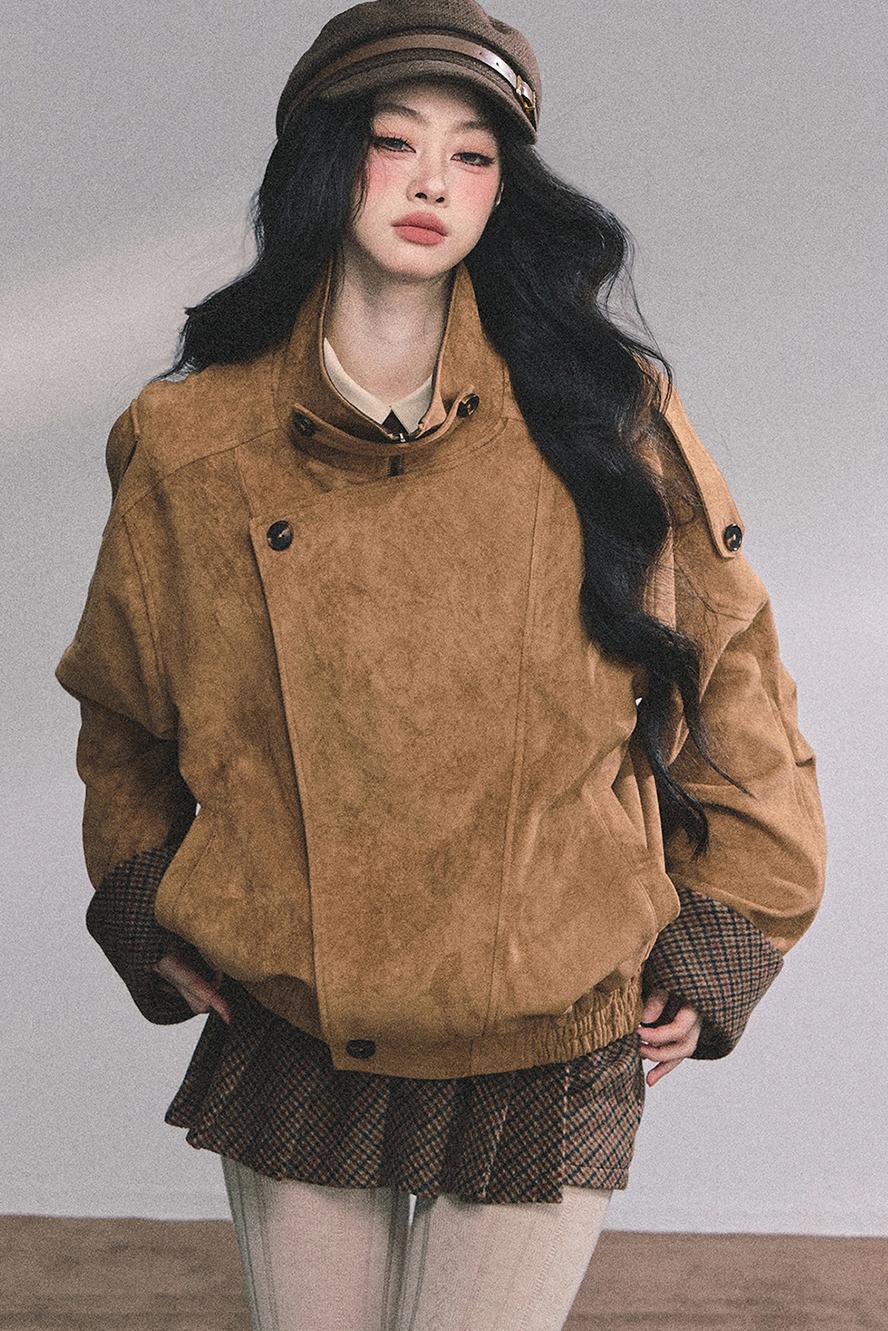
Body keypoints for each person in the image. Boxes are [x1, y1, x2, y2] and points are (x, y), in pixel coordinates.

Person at [53, 2, 828, 1328]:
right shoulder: (191, 440)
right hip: (296, 1010)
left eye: (471, 155)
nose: (431, 183)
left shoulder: (603, 415)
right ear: (324, 161)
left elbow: (733, 678)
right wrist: (143, 895)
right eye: (394, 141)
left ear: (502, 190)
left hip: (551, 1012)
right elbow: (122, 712)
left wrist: (725, 932)